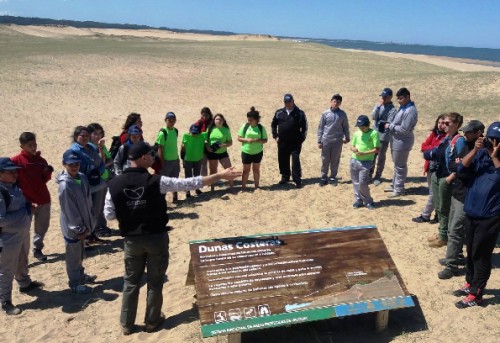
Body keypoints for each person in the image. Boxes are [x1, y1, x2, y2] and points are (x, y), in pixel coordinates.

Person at [103, 141, 241, 335]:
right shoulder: (156, 181)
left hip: (131, 241)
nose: (153, 157)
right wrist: (220, 175)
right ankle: (152, 321)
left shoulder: (114, 184)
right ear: (142, 158)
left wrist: (130, 212)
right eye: (150, 155)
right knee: (155, 281)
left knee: (131, 282)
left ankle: (126, 324)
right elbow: (189, 183)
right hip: (155, 238)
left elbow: (109, 215)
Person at [454, 122, 500, 308]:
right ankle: (469, 283)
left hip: (490, 215)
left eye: (497, 140)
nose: (494, 142)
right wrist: (475, 150)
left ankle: (477, 294)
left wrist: (495, 156)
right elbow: (461, 168)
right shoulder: (481, 153)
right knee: (470, 250)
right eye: (491, 139)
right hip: (472, 210)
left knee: (481, 254)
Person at [438, 120, 484, 279]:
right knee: (452, 229)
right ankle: (455, 255)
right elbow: (452, 165)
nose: (465, 134)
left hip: (468, 197)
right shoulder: (465, 145)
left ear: (479, 133)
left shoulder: (483, 150)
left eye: (469, 132)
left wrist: (461, 166)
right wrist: (459, 166)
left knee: (456, 230)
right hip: (457, 193)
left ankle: (451, 265)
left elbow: (466, 172)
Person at [0, 157, 43, 315]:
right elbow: (1, 220)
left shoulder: (14, 186)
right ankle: (6, 301)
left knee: (22, 261)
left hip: (22, 233)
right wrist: (23, 212)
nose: (15, 174)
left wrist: (28, 206)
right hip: (8, 238)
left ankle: (24, 283)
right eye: (10, 171)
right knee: (7, 270)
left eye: (15, 171)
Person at [56, 150, 97, 294]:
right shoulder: (65, 186)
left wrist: (90, 220)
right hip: (73, 228)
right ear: (64, 164)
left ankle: (81, 275)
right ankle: (74, 283)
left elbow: (88, 200)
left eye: (77, 164)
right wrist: (79, 229)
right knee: (73, 255)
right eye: (71, 164)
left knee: (80, 252)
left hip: (84, 223)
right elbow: (69, 210)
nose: (74, 167)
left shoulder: (82, 177)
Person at [11, 132, 54, 261]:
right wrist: (24, 200)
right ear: (22, 146)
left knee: (42, 227)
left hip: (43, 199)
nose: (33, 147)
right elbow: (13, 182)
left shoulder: (41, 161)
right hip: (25, 203)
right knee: (23, 230)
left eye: (34, 144)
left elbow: (44, 179)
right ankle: (22, 257)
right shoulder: (15, 161)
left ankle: (37, 249)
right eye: (30, 145)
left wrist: (47, 173)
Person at [426, 113, 466, 248]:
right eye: (443, 123)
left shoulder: (458, 141)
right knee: (439, 207)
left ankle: (444, 236)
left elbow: (462, 162)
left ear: (457, 125)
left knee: (444, 208)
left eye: (447, 123)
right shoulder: (445, 138)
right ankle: (442, 232)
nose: (443, 125)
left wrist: (451, 177)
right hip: (438, 175)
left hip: (446, 178)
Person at [69, 126, 106, 244]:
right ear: (76, 137)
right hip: (84, 186)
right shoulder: (74, 150)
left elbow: (101, 162)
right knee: (85, 211)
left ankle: (92, 234)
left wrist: (98, 173)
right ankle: (85, 237)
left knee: (95, 210)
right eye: (82, 136)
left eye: (86, 136)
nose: (85, 138)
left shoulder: (92, 147)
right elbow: (74, 168)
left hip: (97, 184)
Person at [384, 87, 418, 198]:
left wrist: (390, 126)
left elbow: (404, 129)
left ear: (408, 97)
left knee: (400, 166)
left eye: (401, 98)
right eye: (398, 98)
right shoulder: (403, 108)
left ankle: (399, 189)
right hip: (396, 139)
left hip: (403, 141)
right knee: (397, 164)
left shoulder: (410, 111)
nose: (399, 101)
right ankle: (394, 184)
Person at [412, 114, 446, 223]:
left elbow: (441, 151)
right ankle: (438, 214)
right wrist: (434, 149)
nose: (440, 125)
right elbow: (423, 147)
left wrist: (432, 150)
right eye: (439, 122)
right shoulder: (434, 134)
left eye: (443, 123)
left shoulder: (448, 137)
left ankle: (426, 215)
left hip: (439, 168)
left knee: (434, 193)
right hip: (429, 167)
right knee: (434, 192)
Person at [271, 93, 308, 188]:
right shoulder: (279, 112)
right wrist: (276, 136)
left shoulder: (299, 113)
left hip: (295, 142)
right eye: (286, 102)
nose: (288, 104)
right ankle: (285, 176)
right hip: (282, 141)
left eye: (289, 102)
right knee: (283, 159)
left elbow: (304, 127)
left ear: (293, 101)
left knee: (295, 160)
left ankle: (297, 179)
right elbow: (273, 124)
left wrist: (301, 139)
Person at [87, 123, 114, 237]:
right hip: (96, 181)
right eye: (95, 134)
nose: (98, 136)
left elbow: (110, 160)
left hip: (104, 179)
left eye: (100, 133)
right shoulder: (89, 147)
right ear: (89, 135)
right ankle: (97, 228)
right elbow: (102, 162)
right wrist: (101, 149)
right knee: (96, 206)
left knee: (102, 204)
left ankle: (102, 225)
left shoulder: (101, 145)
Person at [317, 94, 350, 186]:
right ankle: (323, 178)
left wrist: (347, 137)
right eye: (334, 101)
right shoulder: (325, 113)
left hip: (337, 141)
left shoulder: (342, 114)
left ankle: (332, 177)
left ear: (340, 103)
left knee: (335, 160)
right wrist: (319, 141)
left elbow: (345, 126)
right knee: (325, 160)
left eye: (338, 102)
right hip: (326, 140)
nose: (336, 103)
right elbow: (320, 127)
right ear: (331, 101)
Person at [350, 115, 380, 209]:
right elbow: (352, 146)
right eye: (359, 126)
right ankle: (358, 200)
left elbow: (377, 149)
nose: (361, 128)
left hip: (366, 162)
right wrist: (354, 149)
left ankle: (368, 201)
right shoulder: (357, 134)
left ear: (368, 125)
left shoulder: (374, 133)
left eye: (363, 126)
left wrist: (364, 153)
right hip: (354, 160)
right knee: (355, 182)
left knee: (363, 183)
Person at [371, 88, 398, 186]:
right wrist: (378, 107)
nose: (383, 98)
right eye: (382, 96)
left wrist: (381, 122)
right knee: (372, 155)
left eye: (385, 97)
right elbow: (373, 117)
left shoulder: (393, 110)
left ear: (390, 97)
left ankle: (378, 176)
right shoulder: (378, 106)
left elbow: (389, 122)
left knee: (381, 157)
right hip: (374, 134)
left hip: (384, 136)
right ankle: (369, 173)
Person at [237, 106, 268, 190]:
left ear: (256, 120)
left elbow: (265, 140)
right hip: (246, 152)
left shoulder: (261, 128)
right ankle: (243, 187)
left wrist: (259, 140)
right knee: (246, 170)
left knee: (256, 170)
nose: (249, 121)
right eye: (248, 120)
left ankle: (257, 186)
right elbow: (239, 138)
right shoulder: (245, 126)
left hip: (258, 152)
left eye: (251, 120)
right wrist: (247, 139)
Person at [156, 112, 180, 203]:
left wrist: (177, 159)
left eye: (173, 120)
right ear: (165, 120)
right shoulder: (163, 133)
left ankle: (175, 198)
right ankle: (162, 200)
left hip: (175, 160)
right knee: (164, 182)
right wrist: (162, 162)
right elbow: (160, 149)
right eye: (169, 120)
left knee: (175, 180)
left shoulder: (175, 131)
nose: (171, 122)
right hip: (166, 161)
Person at [206, 113, 234, 191]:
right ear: (214, 120)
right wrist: (208, 147)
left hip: (223, 153)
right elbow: (206, 140)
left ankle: (231, 187)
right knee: (213, 170)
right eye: (217, 119)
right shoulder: (210, 129)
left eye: (220, 119)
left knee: (229, 169)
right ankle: (212, 188)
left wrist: (224, 145)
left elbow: (230, 142)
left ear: (223, 121)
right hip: (212, 152)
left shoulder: (226, 130)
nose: (218, 121)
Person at [181, 124, 206, 198]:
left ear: (199, 132)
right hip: (188, 159)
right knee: (188, 176)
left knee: (197, 175)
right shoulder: (186, 136)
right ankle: (188, 192)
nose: (194, 134)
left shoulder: (203, 135)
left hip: (198, 159)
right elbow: (182, 148)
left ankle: (197, 189)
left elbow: (210, 129)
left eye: (196, 133)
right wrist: (183, 159)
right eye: (193, 133)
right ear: (189, 132)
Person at [194, 107, 213, 176]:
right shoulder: (199, 123)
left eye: (206, 115)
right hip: (202, 146)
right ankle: (204, 179)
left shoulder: (212, 123)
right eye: (203, 115)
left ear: (209, 115)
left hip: (212, 145)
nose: (204, 117)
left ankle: (212, 178)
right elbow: (193, 132)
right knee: (203, 164)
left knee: (212, 164)